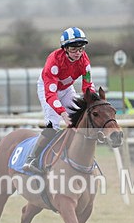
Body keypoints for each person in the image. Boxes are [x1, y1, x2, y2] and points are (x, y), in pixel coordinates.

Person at [23, 26, 97, 174]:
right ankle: (32, 158)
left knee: (79, 117)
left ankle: (78, 155)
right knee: (53, 124)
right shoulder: (54, 61)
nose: (78, 53)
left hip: (67, 88)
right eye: (74, 49)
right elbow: (51, 95)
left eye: (81, 49)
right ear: (65, 48)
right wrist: (63, 114)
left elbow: (88, 85)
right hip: (48, 88)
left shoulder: (84, 60)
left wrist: (92, 102)